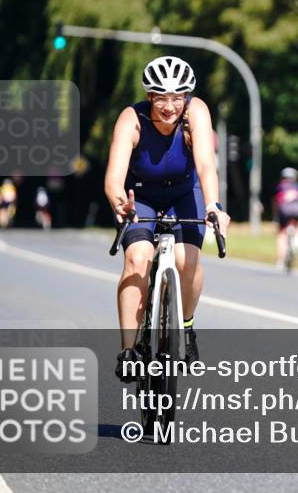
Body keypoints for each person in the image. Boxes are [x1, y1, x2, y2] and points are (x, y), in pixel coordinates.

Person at [104, 56, 231, 382]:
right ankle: (129, 350)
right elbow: (114, 177)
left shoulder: (197, 112)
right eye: (162, 97)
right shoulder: (131, 119)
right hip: (141, 198)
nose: (170, 106)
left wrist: (214, 206)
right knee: (137, 258)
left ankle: (185, 326)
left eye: (178, 97)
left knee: (186, 259)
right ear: (150, 97)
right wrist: (121, 204)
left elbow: (205, 165)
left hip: (183, 195)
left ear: (187, 96)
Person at [272, 167, 298, 272]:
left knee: (281, 234)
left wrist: (275, 215)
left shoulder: (280, 187)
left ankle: (280, 259)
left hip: (284, 213)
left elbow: (276, 202)